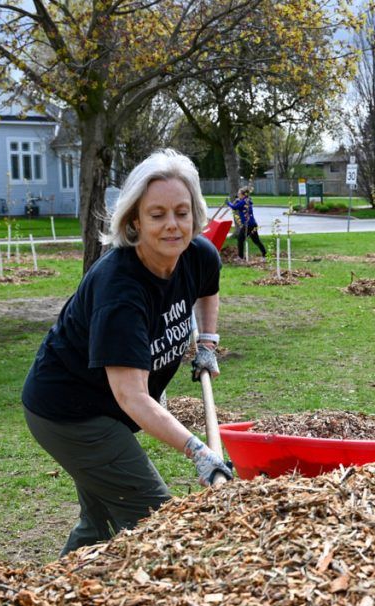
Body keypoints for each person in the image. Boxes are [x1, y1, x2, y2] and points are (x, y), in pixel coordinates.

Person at [22, 149, 232, 557]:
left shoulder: (197, 255)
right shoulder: (120, 290)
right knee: (156, 521)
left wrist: (207, 342)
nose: (172, 225)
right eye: (157, 215)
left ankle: (58, 596)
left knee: (99, 523)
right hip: (71, 413)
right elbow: (130, 395)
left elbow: (209, 290)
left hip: (106, 410)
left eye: (181, 212)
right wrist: (199, 451)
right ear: (134, 220)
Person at [227, 186, 266, 258]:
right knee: (256, 240)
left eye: (239, 194)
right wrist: (237, 201)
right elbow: (239, 205)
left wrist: (228, 202)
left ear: (244, 195)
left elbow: (234, 207)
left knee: (240, 240)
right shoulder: (247, 201)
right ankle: (265, 254)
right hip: (253, 224)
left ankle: (240, 257)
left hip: (247, 224)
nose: (238, 195)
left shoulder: (243, 202)